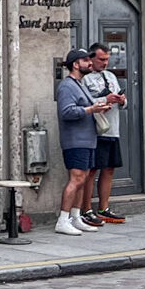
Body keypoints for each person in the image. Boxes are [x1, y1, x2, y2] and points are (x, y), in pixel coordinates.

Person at [54, 48, 113, 235]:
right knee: (76, 179)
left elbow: (86, 107)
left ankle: (76, 217)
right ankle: (63, 220)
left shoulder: (80, 84)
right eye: (85, 60)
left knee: (83, 179)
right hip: (75, 141)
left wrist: (99, 108)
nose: (89, 63)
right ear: (75, 64)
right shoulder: (67, 86)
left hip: (88, 140)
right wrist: (90, 110)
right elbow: (66, 112)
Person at [78, 43, 127, 225]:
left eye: (107, 59)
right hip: (95, 130)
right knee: (91, 170)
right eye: (101, 59)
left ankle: (104, 208)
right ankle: (86, 209)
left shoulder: (111, 76)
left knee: (109, 169)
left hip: (112, 129)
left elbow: (124, 103)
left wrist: (121, 100)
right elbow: (84, 102)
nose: (105, 63)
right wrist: (104, 99)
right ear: (91, 58)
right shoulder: (85, 79)